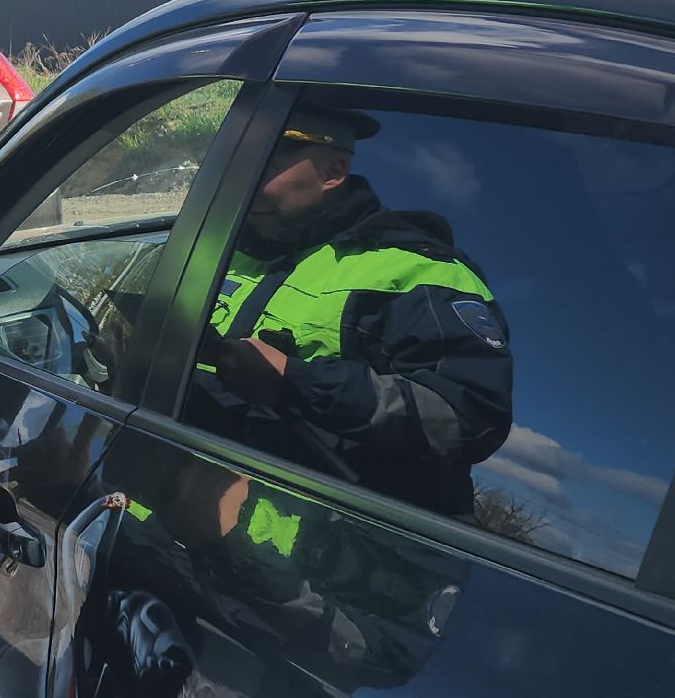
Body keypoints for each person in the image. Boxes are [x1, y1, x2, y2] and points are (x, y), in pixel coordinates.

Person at [191, 104, 512, 518]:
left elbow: (468, 417)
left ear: (333, 172)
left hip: (305, 549)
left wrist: (295, 382)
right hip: (163, 510)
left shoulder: (421, 272)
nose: (246, 180)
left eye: (266, 163)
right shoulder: (216, 243)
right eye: (241, 162)